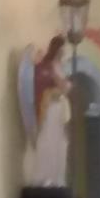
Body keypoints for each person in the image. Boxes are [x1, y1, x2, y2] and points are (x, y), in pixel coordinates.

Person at [32, 35, 72, 186]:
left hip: (59, 107)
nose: (64, 52)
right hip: (50, 108)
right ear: (57, 49)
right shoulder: (47, 66)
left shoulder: (59, 66)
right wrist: (61, 84)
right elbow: (59, 86)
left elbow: (65, 87)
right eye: (62, 48)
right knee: (48, 140)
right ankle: (45, 177)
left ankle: (57, 178)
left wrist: (64, 85)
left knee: (61, 144)